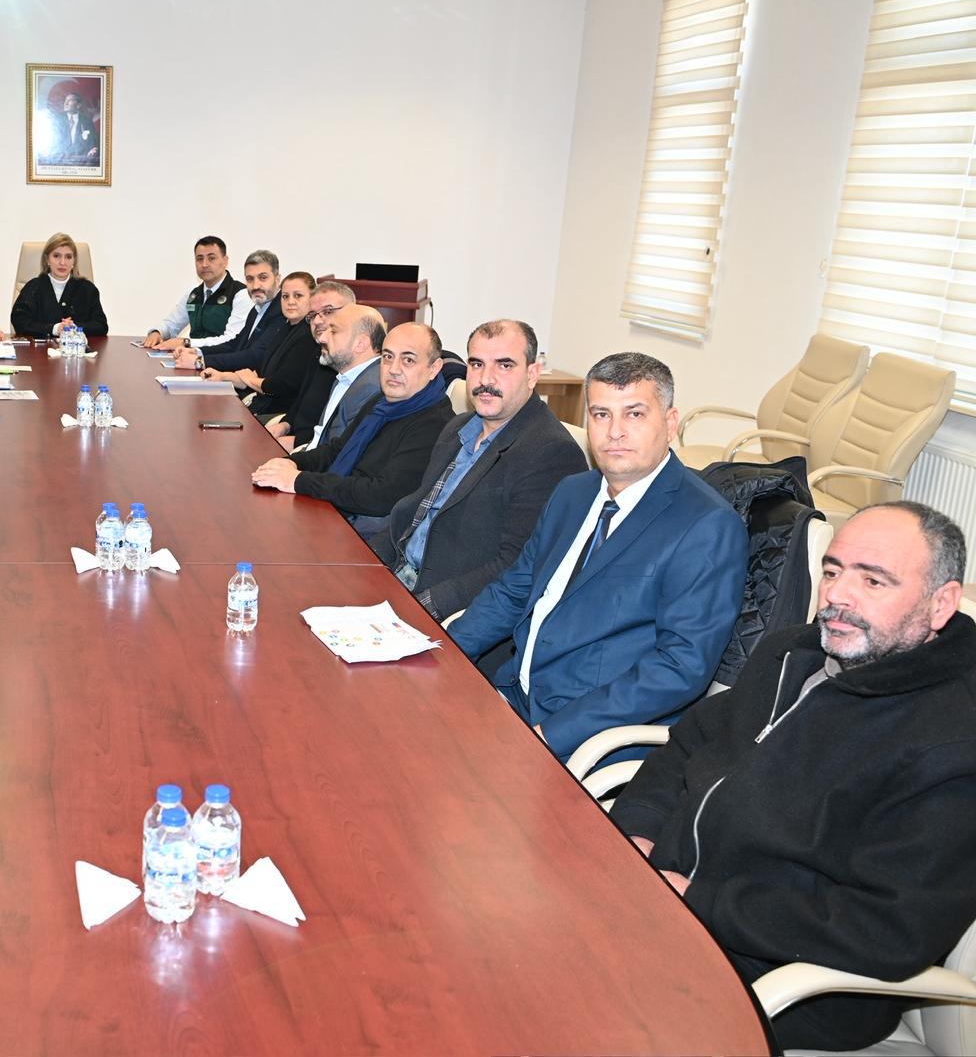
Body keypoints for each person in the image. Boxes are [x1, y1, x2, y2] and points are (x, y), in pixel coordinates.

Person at [610, 502, 976, 1052]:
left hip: (779, 979)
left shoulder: (952, 741)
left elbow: (889, 928)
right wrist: (637, 831)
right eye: (832, 571)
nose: (837, 595)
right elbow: (690, 742)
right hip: (665, 903)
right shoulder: (793, 653)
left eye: (873, 580)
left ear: (940, 603)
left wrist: (700, 897)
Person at [446, 352, 747, 761]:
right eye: (601, 414)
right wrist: (445, 652)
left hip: (585, 736)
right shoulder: (573, 492)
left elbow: (680, 666)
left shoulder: (706, 525)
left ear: (670, 422)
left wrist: (551, 734)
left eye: (634, 414)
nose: (615, 432)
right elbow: (515, 589)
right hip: (513, 696)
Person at [370, 319, 587, 623]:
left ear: (532, 374)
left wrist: (423, 606)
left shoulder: (550, 452)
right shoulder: (458, 428)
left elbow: (516, 567)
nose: (486, 378)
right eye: (476, 364)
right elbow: (416, 512)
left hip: (445, 609)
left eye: (504, 365)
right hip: (396, 577)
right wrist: (365, 563)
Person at [252, 319, 453, 536]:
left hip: (366, 534)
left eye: (408, 360)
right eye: (388, 357)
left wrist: (299, 480)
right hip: (338, 510)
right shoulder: (381, 403)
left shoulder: (436, 424)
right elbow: (337, 450)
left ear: (434, 368)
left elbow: (380, 496)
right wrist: (290, 463)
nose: (393, 369)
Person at [200, 271, 322, 419]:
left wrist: (251, 380)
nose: (290, 302)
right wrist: (221, 376)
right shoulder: (284, 328)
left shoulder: (308, 336)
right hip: (262, 406)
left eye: (298, 296)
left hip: (279, 415)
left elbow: (278, 386)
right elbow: (259, 376)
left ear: (313, 299)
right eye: (285, 296)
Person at [264, 280, 361, 448]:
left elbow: (339, 431)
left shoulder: (349, 360)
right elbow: (302, 401)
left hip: (315, 447)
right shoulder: (318, 351)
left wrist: (298, 441)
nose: (317, 321)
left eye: (328, 311)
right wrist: (285, 424)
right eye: (312, 315)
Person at [172, 248, 285, 370]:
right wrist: (197, 351)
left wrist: (200, 361)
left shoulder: (281, 311)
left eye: (263, 278)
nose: (255, 285)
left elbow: (254, 356)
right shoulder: (257, 309)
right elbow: (235, 344)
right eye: (250, 279)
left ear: (277, 279)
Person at [140, 235, 252, 352]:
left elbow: (231, 340)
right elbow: (171, 325)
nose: (204, 264)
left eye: (211, 258)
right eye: (199, 259)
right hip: (191, 358)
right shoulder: (193, 294)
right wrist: (157, 332)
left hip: (223, 360)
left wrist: (187, 343)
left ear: (225, 261)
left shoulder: (241, 294)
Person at [10, 231, 109, 338]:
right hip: (42, 348)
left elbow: (101, 325)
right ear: (47, 259)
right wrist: (54, 329)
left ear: (74, 261)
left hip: (76, 348)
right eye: (56, 256)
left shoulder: (87, 289)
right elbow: (19, 321)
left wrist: (75, 327)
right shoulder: (33, 288)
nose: (62, 262)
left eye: (68, 257)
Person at [51, 91, 99, 161]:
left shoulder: (87, 121)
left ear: (78, 105)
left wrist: (93, 150)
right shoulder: (57, 119)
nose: (66, 103)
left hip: (81, 159)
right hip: (59, 159)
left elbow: (93, 142)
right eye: (66, 100)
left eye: (70, 100)